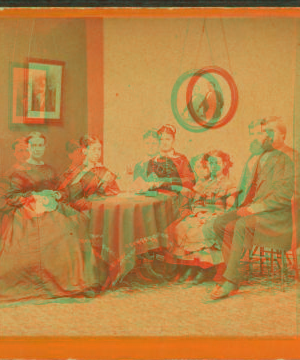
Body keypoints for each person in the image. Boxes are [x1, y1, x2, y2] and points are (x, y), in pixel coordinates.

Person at [0, 132, 99, 303]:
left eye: (41, 145)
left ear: (44, 147)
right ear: (28, 147)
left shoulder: (48, 169)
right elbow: (11, 197)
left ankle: (68, 281)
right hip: (27, 212)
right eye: (34, 145)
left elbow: (57, 190)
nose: (37, 149)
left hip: (51, 209)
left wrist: (54, 194)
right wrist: (34, 196)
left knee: (70, 230)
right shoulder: (17, 171)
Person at [210, 118, 295, 300]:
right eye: (265, 132)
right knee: (220, 222)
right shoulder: (266, 155)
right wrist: (241, 203)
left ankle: (231, 281)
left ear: (283, 135)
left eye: (271, 132)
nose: (266, 136)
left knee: (241, 225)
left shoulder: (291, 156)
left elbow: (287, 195)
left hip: (281, 216)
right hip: (261, 211)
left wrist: (255, 208)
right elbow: (254, 187)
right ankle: (233, 270)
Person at [166, 151, 237, 284]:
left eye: (217, 163)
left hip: (218, 216)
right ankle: (190, 267)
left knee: (202, 230)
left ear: (224, 164)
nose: (214, 166)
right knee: (181, 227)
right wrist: (198, 214)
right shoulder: (203, 183)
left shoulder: (229, 183)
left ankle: (204, 269)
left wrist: (217, 216)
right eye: (211, 163)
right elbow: (196, 202)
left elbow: (231, 207)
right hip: (200, 214)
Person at [66, 135, 120, 211]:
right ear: (85, 151)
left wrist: (106, 183)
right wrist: (102, 183)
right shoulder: (78, 171)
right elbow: (73, 197)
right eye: (94, 149)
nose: (97, 153)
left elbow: (115, 191)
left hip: (103, 208)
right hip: (84, 210)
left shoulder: (104, 170)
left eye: (99, 149)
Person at [147, 124, 196, 192]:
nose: (164, 143)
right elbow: (149, 184)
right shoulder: (152, 162)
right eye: (161, 139)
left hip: (179, 196)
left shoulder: (181, 159)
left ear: (173, 140)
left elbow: (191, 181)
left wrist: (170, 180)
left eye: (168, 139)